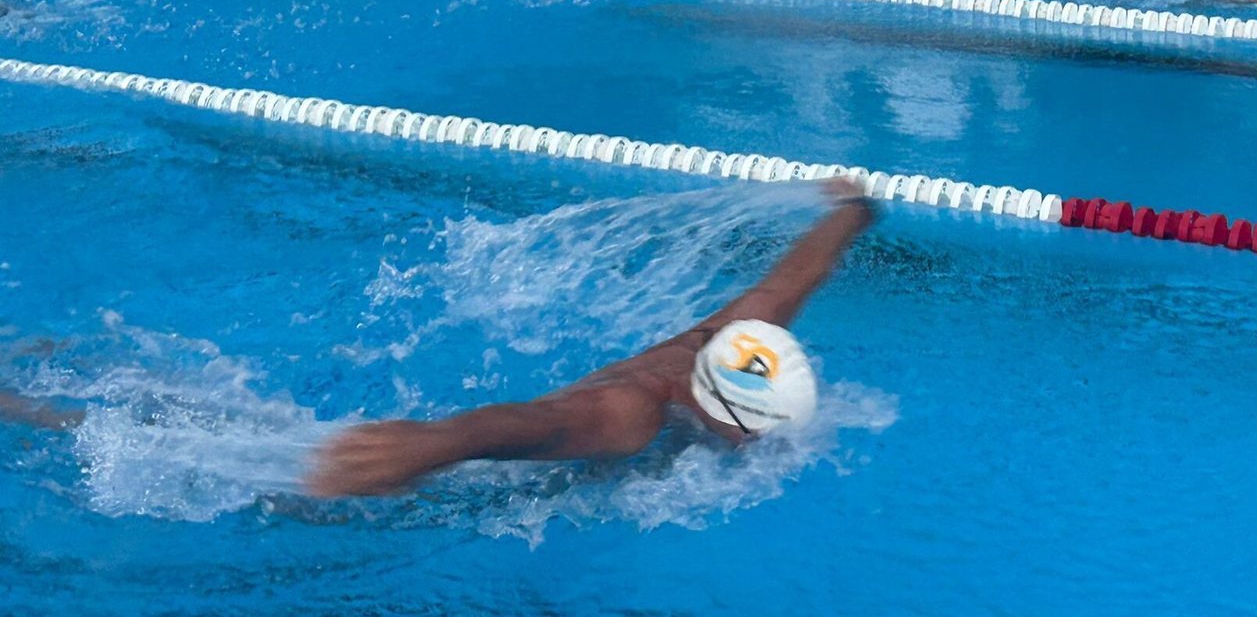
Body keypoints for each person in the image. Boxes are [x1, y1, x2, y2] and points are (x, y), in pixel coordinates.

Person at [306, 182, 875, 498]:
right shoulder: (635, 411)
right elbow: (542, 425)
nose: (753, 445)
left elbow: (792, 279)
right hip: (441, 483)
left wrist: (851, 210)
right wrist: (433, 446)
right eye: (752, 430)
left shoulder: (729, 336)